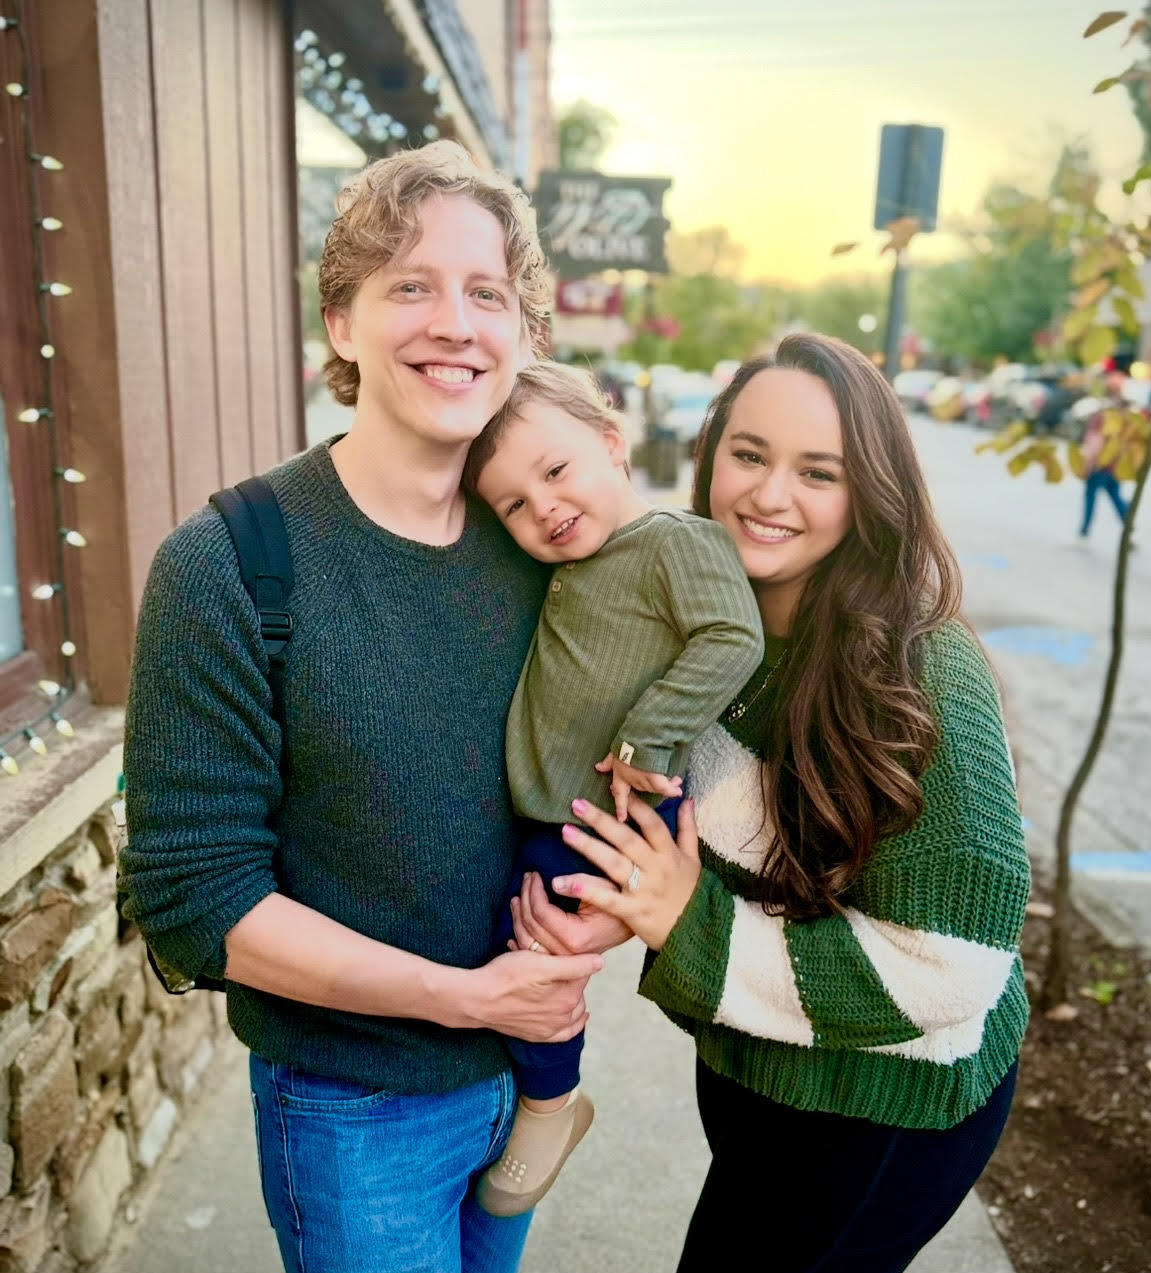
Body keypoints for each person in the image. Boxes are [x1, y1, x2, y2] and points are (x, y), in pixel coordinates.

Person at [118, 141, 606, 1273]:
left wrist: (608, 917)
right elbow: (197, 898)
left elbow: (618, 759)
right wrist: (465, 998)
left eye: (487, 293)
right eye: (412, 286)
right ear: (341, 322)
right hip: (354, 1113)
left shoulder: (541, 546)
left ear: (525, 333)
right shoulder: (231, 564)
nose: (456, 324)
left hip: (524, 1076)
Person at [510, 333, 1031, 1271]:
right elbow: (715, 840)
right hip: (758, 1062)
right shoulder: (699, 618)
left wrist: (687, 923)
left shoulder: (922, 673)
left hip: (881, 1105)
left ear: (871, 491)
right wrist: (629, 907)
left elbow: (951, 970)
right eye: (748, 455)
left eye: (818, 472)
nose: (769, 494)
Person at [462, 360, 763, 1215]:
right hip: (555, 807)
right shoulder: (576, 559)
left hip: (610, 811)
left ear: (611, 440)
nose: (544, 506)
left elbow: (731, 635)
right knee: (514, 936)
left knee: (539, 953)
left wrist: (646, 736)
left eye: (556, 470)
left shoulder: (676, 541)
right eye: (513, 505)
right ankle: (528, 1092)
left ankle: (550, 1107)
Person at [1079, 373, 1131, 538]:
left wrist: (1089, 461)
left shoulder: (1105, 412)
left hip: (1101, 463)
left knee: (1091, 496)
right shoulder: (1123, 413)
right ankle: (1128, 525)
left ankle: (1084, 530)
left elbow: (1095, 439)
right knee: (1115, 497)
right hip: (1114, 464)